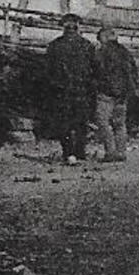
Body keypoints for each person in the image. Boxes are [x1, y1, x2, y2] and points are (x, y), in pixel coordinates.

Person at [45, 14, 95, 164]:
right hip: (81, 90)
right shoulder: (87, 45)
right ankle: (79, 152)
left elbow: (48, 70)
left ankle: (68, 153)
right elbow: (94, 70)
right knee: (81, 122)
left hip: (63, 90)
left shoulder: (55, 45)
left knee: (64, 123)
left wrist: (54, 85)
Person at [92, 25, 139, 162]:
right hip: (122, 94)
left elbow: (97, 71)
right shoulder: (125, 52)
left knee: (102, 122)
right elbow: (133, 73)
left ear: (104, 37)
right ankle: (121, 152)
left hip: (106, 93)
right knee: (120, 124)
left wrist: (97, 86)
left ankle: (110, 151)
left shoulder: (101, 52)